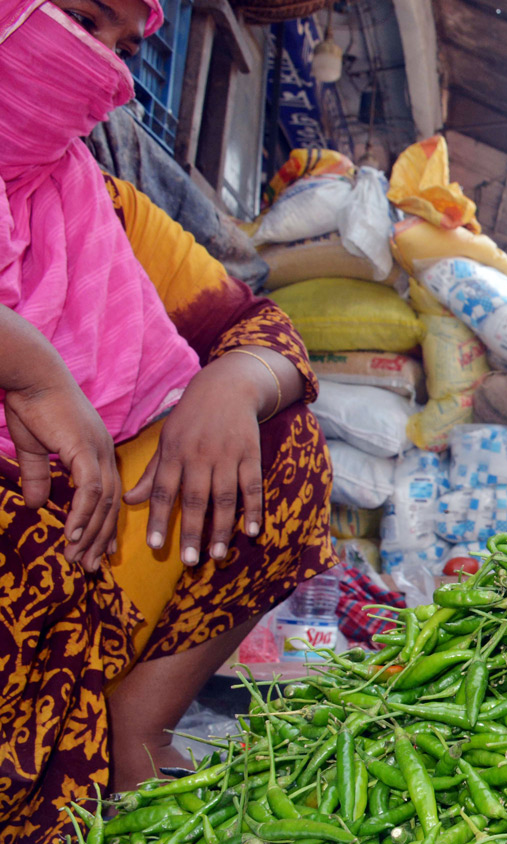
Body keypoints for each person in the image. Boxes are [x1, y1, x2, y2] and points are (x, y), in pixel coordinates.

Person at [0, 0, 334, 835]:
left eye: (125, 47)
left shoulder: (89, 205)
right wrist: (33, 373)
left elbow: (256, 324)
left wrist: (233, 386)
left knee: (272, 443)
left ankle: (131, 730)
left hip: (86, 560)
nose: (107, 71)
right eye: (83, 19)